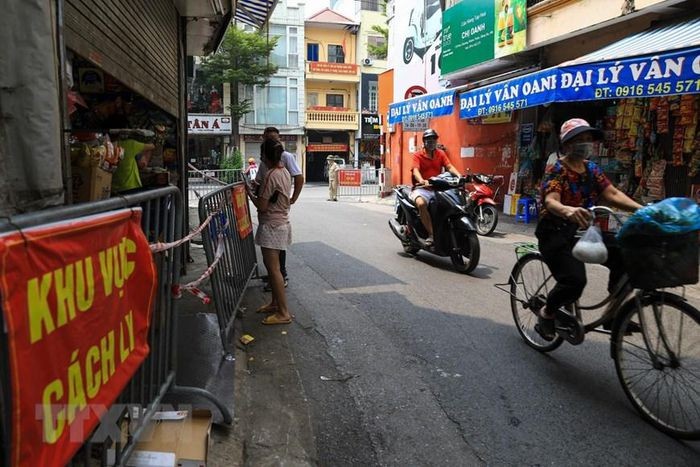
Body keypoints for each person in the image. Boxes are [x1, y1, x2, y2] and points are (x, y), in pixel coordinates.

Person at [535, 118, 642, 341]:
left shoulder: (592, 169)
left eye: (588, 139)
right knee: (574, 280)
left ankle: (613, 314)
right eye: (579, 140)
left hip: (583, 230)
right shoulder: (557, 169)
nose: (586, 144)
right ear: (566, 145)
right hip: (554, 231)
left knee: (628, 258)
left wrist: (641, 209)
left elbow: (612, 194)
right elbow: (551, 201)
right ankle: (547, 313)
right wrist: (567, 210)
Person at [246, 139, 293, 325]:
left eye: (261, 154)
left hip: (272, 226)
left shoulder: (271, 175)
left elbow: (262, 206)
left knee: (273, 270)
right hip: (281, 223)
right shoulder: (285, 172)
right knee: (275, 269)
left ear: (265, 156)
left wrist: (249, 194)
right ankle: (275, 304)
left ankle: (283, 312)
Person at [254, 127, 304, 289]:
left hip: (273, 217)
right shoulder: (271, 168)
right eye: (269, 139)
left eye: (274, 139)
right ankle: (276, 284)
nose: (272, 142)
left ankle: (280, 280)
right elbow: (258, 182)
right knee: (272, 260)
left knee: (275, 259)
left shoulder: (279, 166)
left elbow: (299, 178)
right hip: (273, 214)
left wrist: (293, 198)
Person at [410, 128, 462, 246]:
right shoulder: (418, 155)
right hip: (422, 188)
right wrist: (422, 180)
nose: (431, 142)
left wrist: (459, 176)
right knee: (421, 204)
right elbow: (415, 170)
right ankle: (431, 235)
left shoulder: (440, 153)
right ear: (424, 141)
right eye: (428, 140)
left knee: (450, 204)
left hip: (437, 188)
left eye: (433, 139)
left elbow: (449, 166)